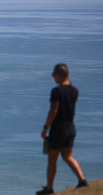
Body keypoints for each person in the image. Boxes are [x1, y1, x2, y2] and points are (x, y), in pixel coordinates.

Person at [36, 63, 88, 195]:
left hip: (58, 129)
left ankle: (49, 189)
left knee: (52, 160)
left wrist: (45, 127)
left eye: (54, 75)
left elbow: (54, 110)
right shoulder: (74, 90)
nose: (53, 77)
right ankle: (82, 180)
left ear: (59, 75)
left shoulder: (56, 91)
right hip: (71, 129)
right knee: (67, 156)